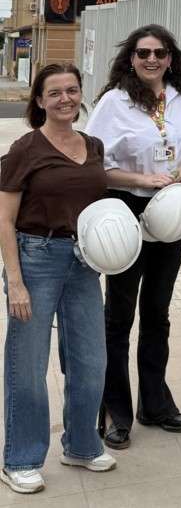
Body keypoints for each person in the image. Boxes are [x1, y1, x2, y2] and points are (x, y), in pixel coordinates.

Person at [86, 24, 181, 450]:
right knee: (118, 317)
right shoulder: (114, 102)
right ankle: (115, 412)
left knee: (157, 313)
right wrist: (142, 179)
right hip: (128, 210)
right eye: (143, 53)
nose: (151, 60)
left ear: (170, 58)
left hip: (173, 212)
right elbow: (95, 163)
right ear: (131, 58)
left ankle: (155, 404)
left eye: (159, 53)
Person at [0, 63, 115, 494]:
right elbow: (4, 219)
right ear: (40, 101)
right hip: (36, 258)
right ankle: (21, 459)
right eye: (54, 92)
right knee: (28, 364)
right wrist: (15, 282)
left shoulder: (93, 144)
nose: (65, 99)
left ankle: (82, 445)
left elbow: (102, 187)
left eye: (71, 90)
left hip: (83, 261)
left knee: (90, 360)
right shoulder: (25, 149)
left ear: (81, 94)